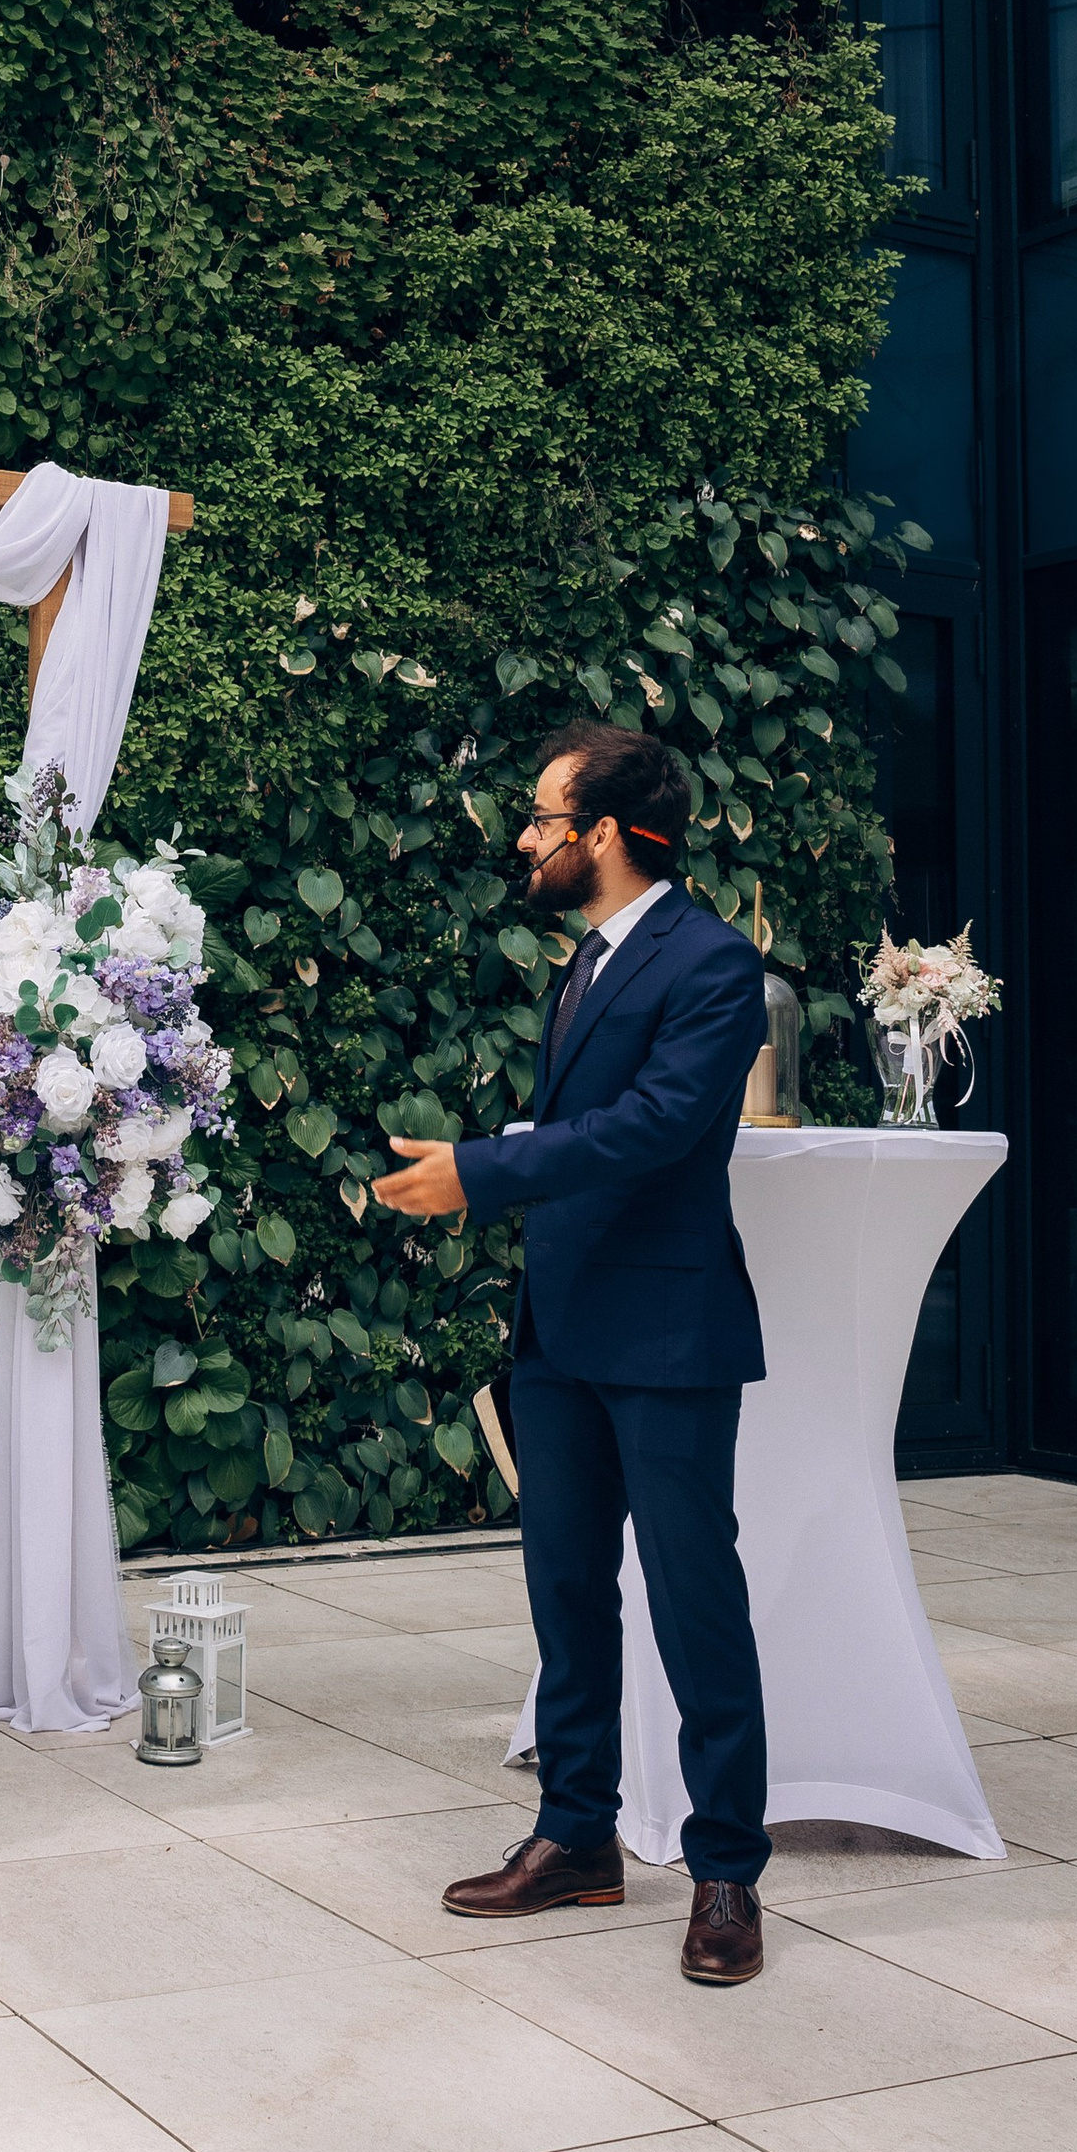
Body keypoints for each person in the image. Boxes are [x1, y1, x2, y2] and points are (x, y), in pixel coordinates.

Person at [373, 721, 773, 1986]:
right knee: (565, 1595)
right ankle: (576, 1837)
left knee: (694, 1604)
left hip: (666, 1332)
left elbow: (653, 1129)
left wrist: (480, 1172)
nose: (528, 838)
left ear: (602, 832)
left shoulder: (712, 964)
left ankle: (724, 1875)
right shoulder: (586, 963)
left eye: (545, 817)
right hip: (561, 1330)